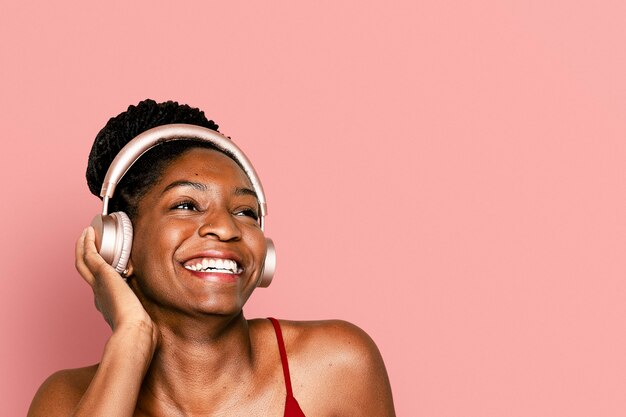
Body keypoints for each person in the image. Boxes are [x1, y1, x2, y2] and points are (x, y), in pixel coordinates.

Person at [28, 99, 396, 416]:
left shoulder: (337, 366)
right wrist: (131, 339)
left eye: (245, 212)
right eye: (187, 205)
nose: (226, 228)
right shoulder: (66, 400)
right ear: (119, 242)